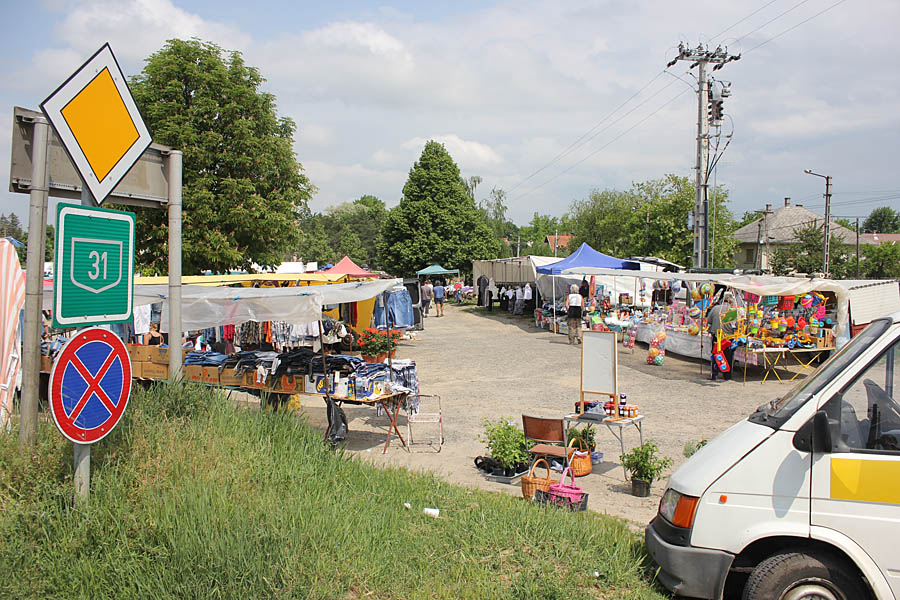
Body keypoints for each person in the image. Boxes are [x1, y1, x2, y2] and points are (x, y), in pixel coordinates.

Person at [706, 291, 737, 381]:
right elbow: (736, 325)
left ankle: (714, 374)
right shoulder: (733, 311)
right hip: (728, 337)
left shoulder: (715, 308)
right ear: (731, 301)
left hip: (717, 335)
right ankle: (727, 375)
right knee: (728, 356)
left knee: (716, 354)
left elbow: (709, 320)